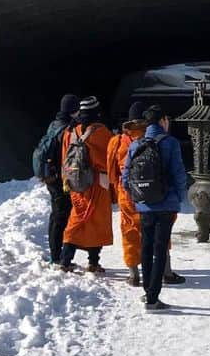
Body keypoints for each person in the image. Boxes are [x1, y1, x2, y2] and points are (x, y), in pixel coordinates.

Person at [123, 104, 188, 311]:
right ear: (162, 121)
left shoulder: (136, 144)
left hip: (144, 205)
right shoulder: (171, 143)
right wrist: (178, 197)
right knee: (160, 249)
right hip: (166, 204)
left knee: (146, 246)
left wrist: (137, 198)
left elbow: (125, 177)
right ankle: (153, 297)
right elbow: (179, 174)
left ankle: (147, 292)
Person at [59, 96, 114, 273]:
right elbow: (108, 160)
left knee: (76, 219)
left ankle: (66, 260)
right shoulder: (102, 132)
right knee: (96, 222)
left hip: (76, 184)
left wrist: (66, 179)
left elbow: (64, 159)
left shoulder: (70, 132)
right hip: (97, 185)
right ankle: (93, 261)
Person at [106, 101, 148, 286]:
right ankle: (163, 269)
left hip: (128, 192)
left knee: (130, 230)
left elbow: (111, 171)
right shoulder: (154, 136)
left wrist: (117, 190)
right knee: (156, 229)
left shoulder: (118, 141)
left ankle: (133, 273)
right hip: (152, 192)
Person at [41, 93, 79, 265]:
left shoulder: (54, 124)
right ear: (73, 110)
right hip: (58, 177)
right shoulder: (66, 129)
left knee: (56, 215)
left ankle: (55, 254)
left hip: (50, 175)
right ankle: (57, 257)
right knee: (60, 216)